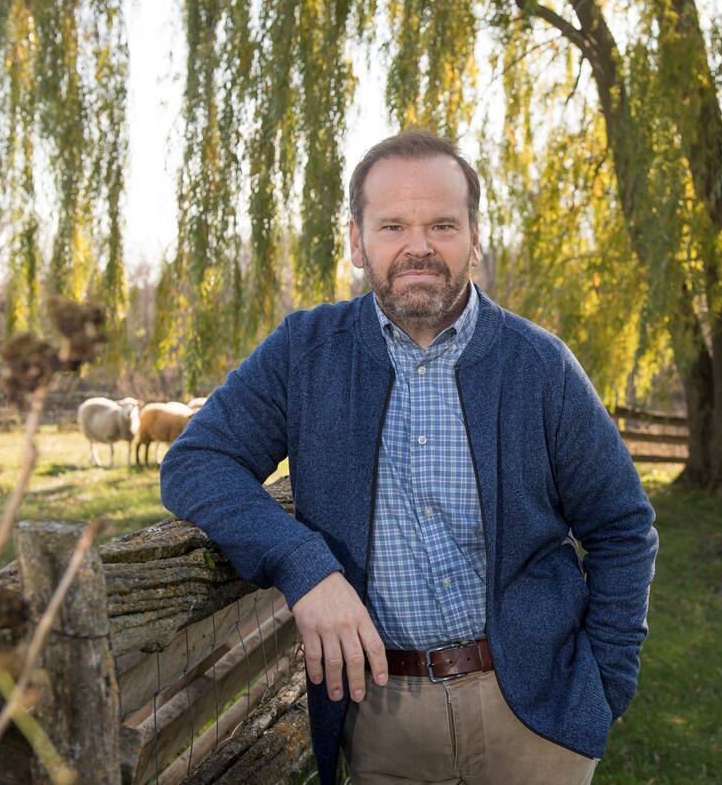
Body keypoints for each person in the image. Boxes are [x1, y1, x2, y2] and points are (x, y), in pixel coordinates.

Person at [160, 130, 658, 785]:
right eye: (392, 224)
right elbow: (197, 462)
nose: (417, 246)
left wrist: (605, 687)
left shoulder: (539, 366)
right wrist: (303, 566)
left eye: (442, 225)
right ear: (356, 241)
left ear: (474, 238)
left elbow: (622, 530)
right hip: (380, 720)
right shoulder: (305, 353)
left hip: (533, 719)